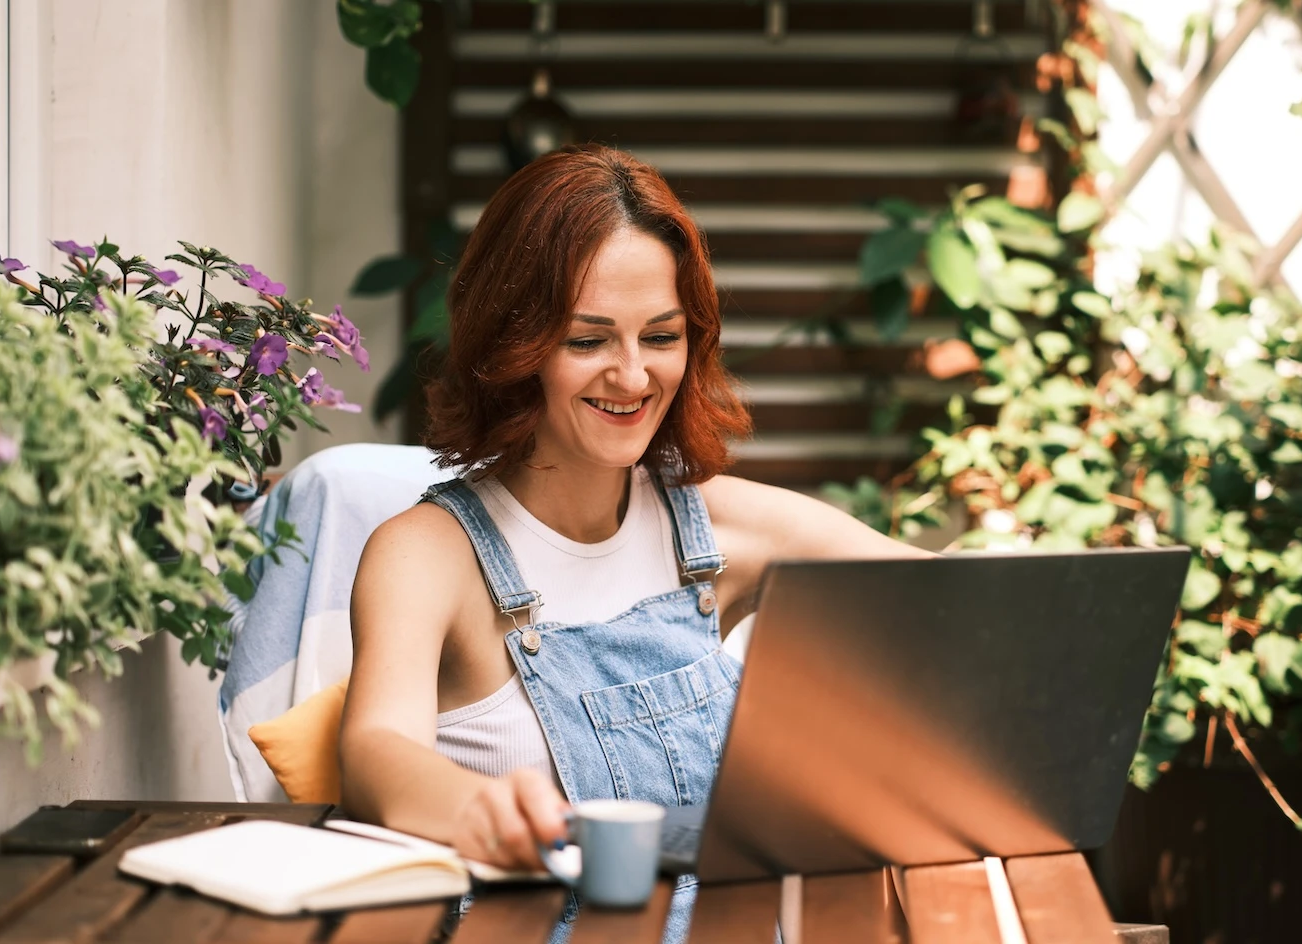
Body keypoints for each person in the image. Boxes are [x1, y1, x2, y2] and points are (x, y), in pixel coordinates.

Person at [338, 145, 928, 934]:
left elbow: (951, 603)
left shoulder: (717, 526)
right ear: (514, 346)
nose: (632, 376)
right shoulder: (426, 554)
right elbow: (376, 752)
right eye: (588, 340)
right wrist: (480, 809)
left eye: (660, 336)